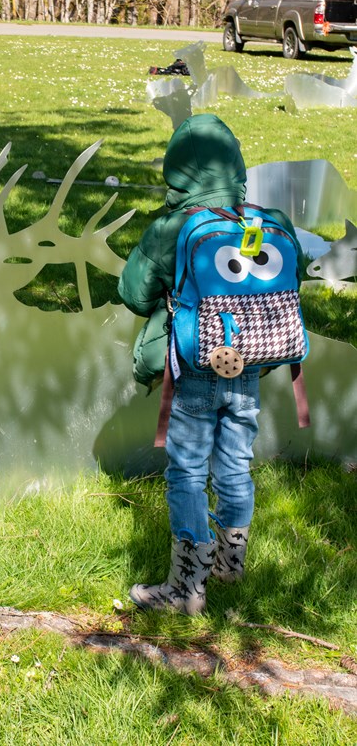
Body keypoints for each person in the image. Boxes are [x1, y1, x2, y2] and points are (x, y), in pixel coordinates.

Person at [117, 114, 305, 615]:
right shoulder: (267, 222)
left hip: (192, 366)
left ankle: (186, 588)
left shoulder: (171, 226)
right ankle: (229, 561)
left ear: (177, 170)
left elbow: (133, 294)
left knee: (187, 470)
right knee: (236, 463)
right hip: (249, 367)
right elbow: (291, 283)